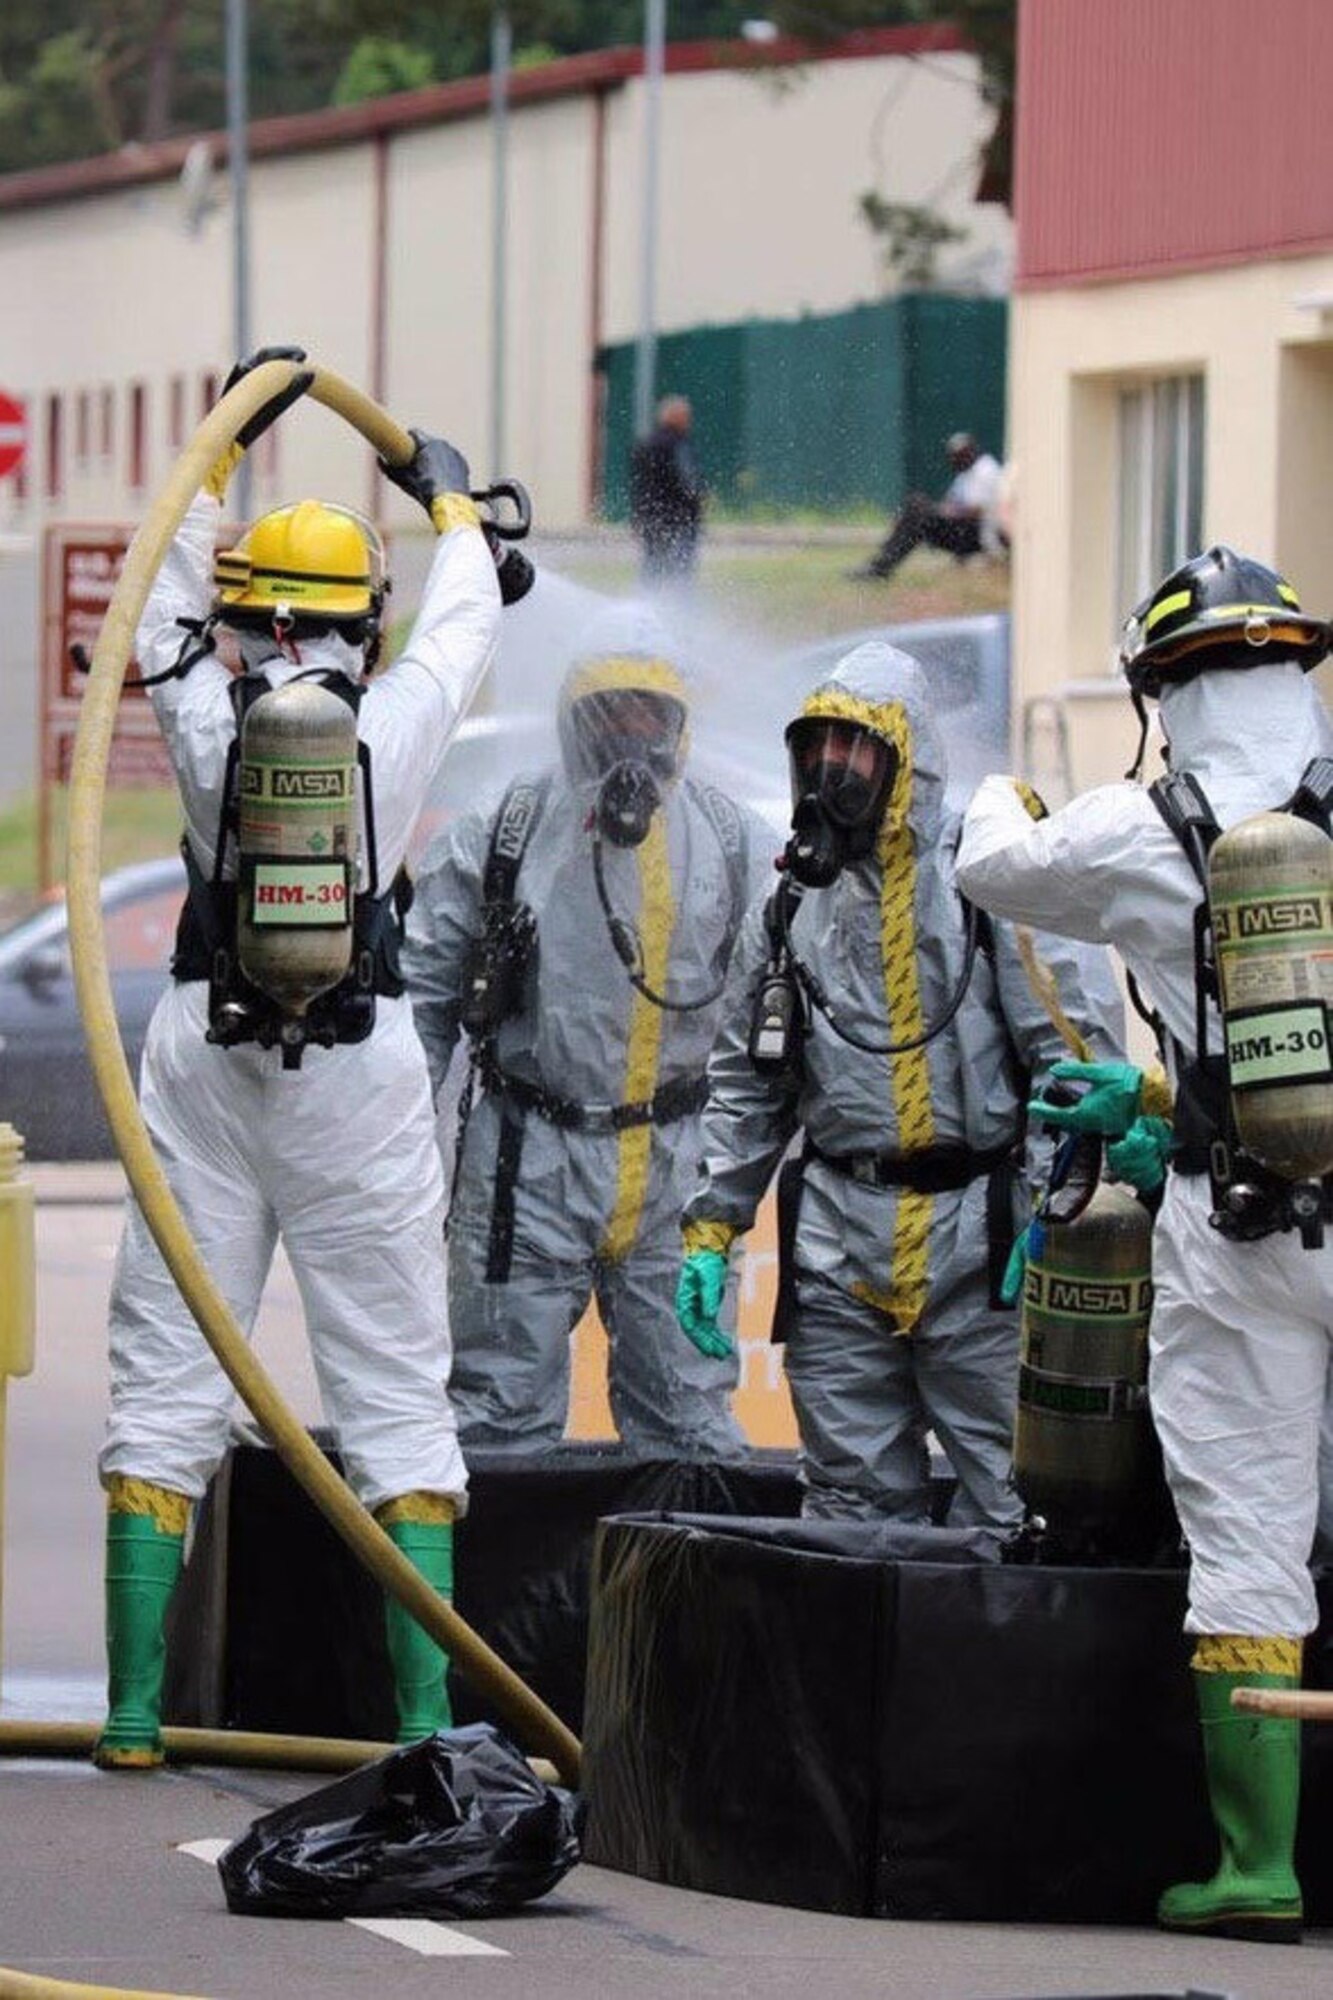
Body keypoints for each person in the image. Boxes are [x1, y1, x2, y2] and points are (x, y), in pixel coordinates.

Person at [94, 345, 501, 1767]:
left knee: (166, 1380)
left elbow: (153, 603)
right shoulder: (391, 725)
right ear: (358, 627)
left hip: (202, 1061)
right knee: (394, 1389)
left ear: (244, 619)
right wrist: (449, 509)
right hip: (358, 1073)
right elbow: (467, 630)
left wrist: (210, 467)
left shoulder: (204, 716)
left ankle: (136, 1716)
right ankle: (421, 1727)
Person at [954, 544, 1333, 1942]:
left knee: (1245, 1535)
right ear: (1296, 666)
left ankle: (1255, 1867)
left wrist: (1007, 784)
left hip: (1241, 1227)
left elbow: (992, 866)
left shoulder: (1130, 828)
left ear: (1160, 690)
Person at [675, 639, 1124, 1523]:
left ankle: (995, 1663)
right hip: (837, 1247)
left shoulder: (986, 874)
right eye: (817, 752)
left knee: (1017, 1503)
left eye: (855, 751)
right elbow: (748, 1082)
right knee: (848, 1507)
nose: (831, 773)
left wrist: (1051, 1217)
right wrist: (711, 1226)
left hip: (983, 1249)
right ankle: (866, 1666)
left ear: (906, 760)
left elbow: (1071, 1062)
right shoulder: (791, 904)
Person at [402, 602, 775, 1458]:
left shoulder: (730, 843)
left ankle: (680, 1594)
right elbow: (420, 1002)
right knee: (497, 1421)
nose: (632, 739)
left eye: (653, 718)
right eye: (611, 716)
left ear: (680, 730)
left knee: (689, 1427)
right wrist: (390, 1157)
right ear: (573, 723)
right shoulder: (504, 834)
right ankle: (482, 1597)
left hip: (678, 1173)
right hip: (521, 1168)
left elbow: (801, 978)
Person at [849, 431, 1007, 584]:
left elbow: (976, 511)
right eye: (953, 455)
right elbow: (950, 502)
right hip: (964, 531)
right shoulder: (964, 474)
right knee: (916, 509)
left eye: (960, 454)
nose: (955, 459)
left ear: (971, 451)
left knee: (919, 508)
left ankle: (881, 565)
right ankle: (881, 562)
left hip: (981, 536)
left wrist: (938, 511)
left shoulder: (985, 469)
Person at [628, 394, 704, 583]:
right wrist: (699, 499)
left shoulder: (645, 444)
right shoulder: (679, 445)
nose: (689, 421)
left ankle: (647, 602)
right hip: (679, 518)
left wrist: (638, 516)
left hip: (651, 518)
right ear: (677, 417)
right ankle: (678, 607)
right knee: (680, 569)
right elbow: (689, 482)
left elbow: (638, 484)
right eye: (687, 416)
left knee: (652, 565)